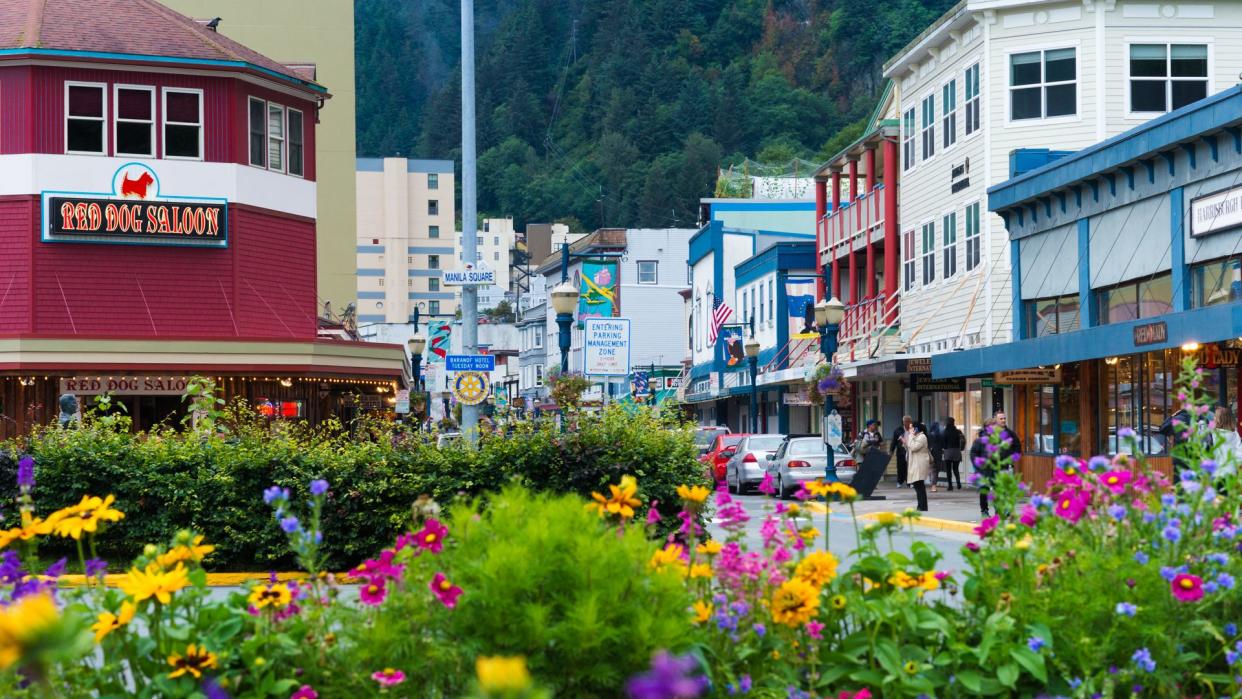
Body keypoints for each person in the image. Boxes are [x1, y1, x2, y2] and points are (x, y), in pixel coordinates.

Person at [906, 422, 933, 512]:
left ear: (916, 428)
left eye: (911, 428)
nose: (910, 430)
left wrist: (910, 436)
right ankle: (921, 505)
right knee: (917, 485)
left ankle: (922, 506)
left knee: (919, 485)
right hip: (915, 463)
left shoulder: (922, 437)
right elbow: (909, 446)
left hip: (920, 464)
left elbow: (913, 447)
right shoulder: (916, 437)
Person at [940, 417, 965, 491]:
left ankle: (950, 485)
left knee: (948, 470)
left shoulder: (945, 432)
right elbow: (962, 440)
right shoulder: (958, 431)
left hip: (948, 451)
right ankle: (958, 483)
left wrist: (944, 448)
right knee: (955, 469)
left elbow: (943, 443)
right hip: (957, 451)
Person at [890, 416, 912, 487]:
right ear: (903, 422)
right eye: (906, 421)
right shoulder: (898, 430)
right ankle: (900, 481)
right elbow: (894, 441)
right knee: (900, 467)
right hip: (901, 451)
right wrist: (891, 450)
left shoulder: (913, 429)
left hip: (911, 451)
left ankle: (910, 482)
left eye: (909, 421)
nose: (908, 423)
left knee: (910, 467)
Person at [928, 421, 944, 493]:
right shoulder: (940, 435)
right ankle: (933, 485)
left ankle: (932, 485)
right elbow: (943, 445)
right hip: (938, 453)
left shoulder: (929, 435)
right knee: (936, 470)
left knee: (932, 469)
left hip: (931, 453)